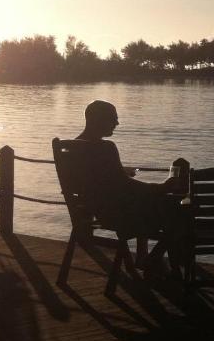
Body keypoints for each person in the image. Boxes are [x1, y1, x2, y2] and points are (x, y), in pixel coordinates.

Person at [74, 100, 184, 273]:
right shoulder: (105, 147)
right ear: (98, 120)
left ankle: (144, 257)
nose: (117, 123)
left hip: (97, 210)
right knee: (176, 212)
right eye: (113, 119)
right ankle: (155, 259)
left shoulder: (73, 147)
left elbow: (97, 178)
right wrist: (161, 187)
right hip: (118, 216)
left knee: (152, 201)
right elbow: (125, 186)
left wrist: (118, 171)